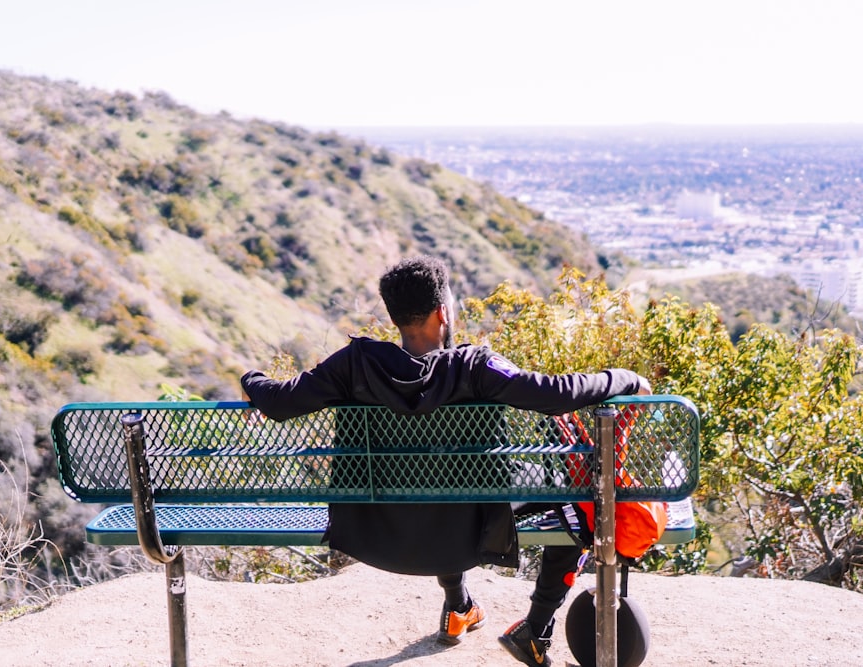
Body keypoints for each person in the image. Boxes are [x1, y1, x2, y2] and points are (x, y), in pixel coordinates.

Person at [241, 255, 651, 664]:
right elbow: (555, 394)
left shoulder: (354, 365)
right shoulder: (475, 367)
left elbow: (278, 401)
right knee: (576, 497)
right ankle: (535, 629)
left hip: (380, 535)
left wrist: (250, 381)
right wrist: (626, 379)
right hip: (465, 533)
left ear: (396, 317)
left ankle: (459, 607)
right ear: (443, 311)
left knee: (436, 484)